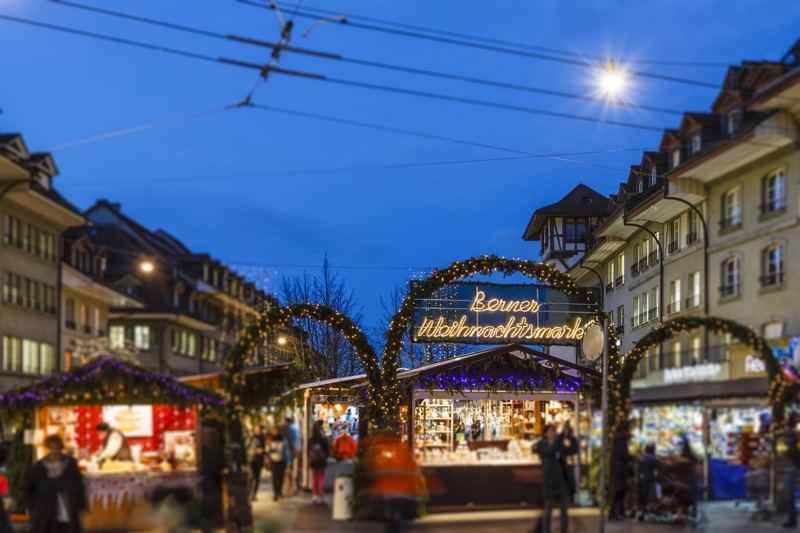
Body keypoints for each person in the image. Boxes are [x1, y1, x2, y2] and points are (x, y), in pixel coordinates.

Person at [362, 423, 425, 533]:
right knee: (401, 520)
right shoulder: (404, 450)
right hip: (404, 494)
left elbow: (374, 470)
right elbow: (414, 470)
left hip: (388, 494)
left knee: (394, 520)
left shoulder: (380, 450)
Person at [25, 434, 87, 533]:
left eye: (56, 448)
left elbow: (78, 484)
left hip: (67, 505)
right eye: (51, 448)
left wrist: (80, 504)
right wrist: (33, 505)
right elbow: (30, 486)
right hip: (46, 509)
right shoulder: (40, 466)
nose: (54, 451)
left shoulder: (70, 463)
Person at [532, 423, 577, 533]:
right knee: (548, 509)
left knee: (564, 510)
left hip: (561, 482)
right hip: (549, 482)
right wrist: (562, 435)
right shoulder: (542, 445)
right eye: (551, 430)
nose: (554, 433)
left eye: (555, 431)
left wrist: (570, 437)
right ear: (546, 433)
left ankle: (564, 530)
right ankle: (546, 530)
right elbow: (551, 451)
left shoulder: (560, 446)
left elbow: (573, 450)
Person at [609, 419, 633, 522]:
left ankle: (618, 512)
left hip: (619, 468)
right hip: (618, 469)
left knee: (620, 492)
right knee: (618, 492)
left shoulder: (620, 437)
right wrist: (632, 457)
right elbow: (622, 454)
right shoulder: (620, 438)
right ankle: (614, 513)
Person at [780, 413, 799, 528]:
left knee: (788, 494)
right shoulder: (792, 435)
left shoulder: (791, 436)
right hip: (790, 466)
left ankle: (792, 518)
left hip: (790, 467)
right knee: (788, 494)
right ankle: (792, 517)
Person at [266, 425, 291, 501]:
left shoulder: (283, 439)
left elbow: (286, 451)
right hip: (273, 461)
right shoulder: (270, 440)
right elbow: (267, 450)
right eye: (274, 431)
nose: (275, 432)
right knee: (274, 478)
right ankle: (275, 493)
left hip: (281, 461)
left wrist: (289, 463)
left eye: (276, 430)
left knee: (280, 477)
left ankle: (279, 491)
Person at [308, 420, 331, 504]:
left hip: (314, 461)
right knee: (321, 478)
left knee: (314, 478)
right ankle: (321, 495)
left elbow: (308, 451)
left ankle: (314, 495)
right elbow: (327, 451)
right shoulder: (323, 439)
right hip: (322, 461)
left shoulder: (311, 440)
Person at [636, 443, 659, 521]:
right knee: (647, 496)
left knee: (641, 495)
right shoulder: (653, 459)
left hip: (641, 479)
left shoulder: (642, 458)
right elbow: (656, 470)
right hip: (649, 479)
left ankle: (640, 510)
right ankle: (644, 511)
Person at [245, 425, 266, 501]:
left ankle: (254, 495)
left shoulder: (263, 438)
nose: (258, 431)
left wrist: (264, 452)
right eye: (257, 429)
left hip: (259, 461)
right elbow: (246, 448)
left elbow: (265, 448)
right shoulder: (251, 438)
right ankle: (248, 494)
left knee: (257, 478)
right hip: (252, 460)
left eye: (259, 429)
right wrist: (255, 451)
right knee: (251, 477)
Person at [282, 416, 302, 495]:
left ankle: (292, 487)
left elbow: (290, 441)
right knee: (296, 469)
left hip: (292, 451)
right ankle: (295, 486)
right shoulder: (296, 427)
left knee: (290, 470)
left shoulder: (289, 429)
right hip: (298, 449)